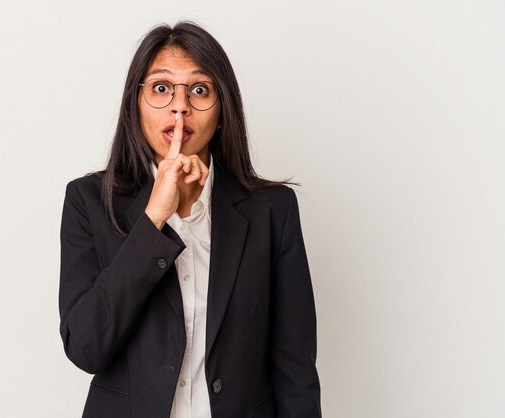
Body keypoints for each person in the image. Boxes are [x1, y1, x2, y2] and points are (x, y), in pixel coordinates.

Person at [59, 21, 321, 418]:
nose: (179, 106)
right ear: (136, 102)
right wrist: (153, 220)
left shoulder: (273, 210)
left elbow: (295, 368)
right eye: (161, 89)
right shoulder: (89, 202)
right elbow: (85, 347)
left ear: (222, 109)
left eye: (199, 90)